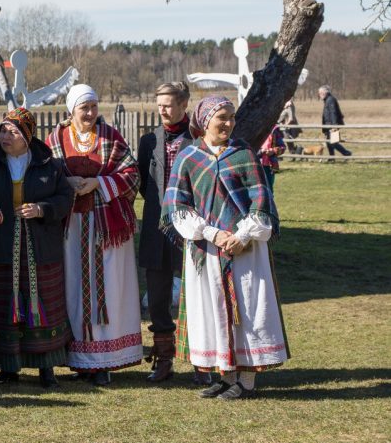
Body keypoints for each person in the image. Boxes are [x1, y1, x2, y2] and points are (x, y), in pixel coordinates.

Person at [162, 95, 289, 400]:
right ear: (206, 120)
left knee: (247, 310)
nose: (229, 123)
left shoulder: (244, 153)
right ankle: (224, 376)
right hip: (206, 250)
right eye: (222, 118)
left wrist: (242, 235)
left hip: (246, 251)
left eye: (232, 117)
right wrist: (210, 233)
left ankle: (246, 382)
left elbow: (262, 203)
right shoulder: (188, 156)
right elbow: (177, 205)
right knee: (212, 311)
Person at [46, 84, 143, 386]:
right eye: (83, 108)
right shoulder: (55, 140)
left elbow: (132, 175)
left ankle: (104, 363)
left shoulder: (111, 138)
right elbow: (45, 174)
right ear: (71, 110)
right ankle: (79, 361)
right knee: (74, 288)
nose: (89, 113)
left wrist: (98, 183)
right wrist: (66, 180)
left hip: (106, 227)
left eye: (93, 106)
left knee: (109, 290)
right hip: (71, 228)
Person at [0, 107, 73, 388]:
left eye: (13, 131)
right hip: (0, 245)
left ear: (27, 135)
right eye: (3, 130)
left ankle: (47, 368)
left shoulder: (49, 165)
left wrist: (42, 209)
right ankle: (8, 367)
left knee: (44, 307)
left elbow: (65, 199)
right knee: (4, 306)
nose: (5, 136)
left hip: (41, 247)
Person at [136, 81, 209, 384]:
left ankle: (201, 362)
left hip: (191, 226)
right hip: (155, 226)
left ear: (183, 105)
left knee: (196, 296)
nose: (163, 109)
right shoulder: (148, 141)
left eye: (168, 104)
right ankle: (163, 358)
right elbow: (143, 183)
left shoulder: (199, 140)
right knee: (157, 298)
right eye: (159, 104)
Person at [319, 85, 352, 157]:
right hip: (328, 125)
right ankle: (332, 157)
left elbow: (333, 113)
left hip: (332, 125)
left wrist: (334, 126)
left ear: (325, 93)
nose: (319, 95)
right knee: (329, 142)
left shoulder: (330, 100)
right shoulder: (327, 100)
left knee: (333, 142)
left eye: (321, 93)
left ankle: (346, 153)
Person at [258, 125, 286, 190]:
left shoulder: (274, 130)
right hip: (256, 165)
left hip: (269, 166)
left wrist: (273, 151)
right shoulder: (254, 128)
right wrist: (260, 151)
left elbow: (282, 147)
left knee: (269, 190)